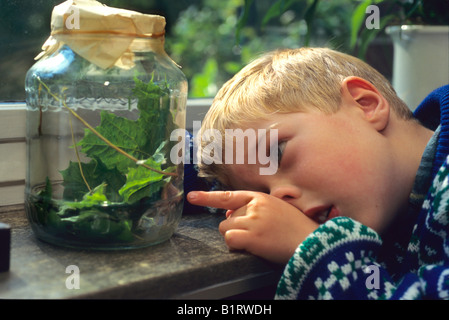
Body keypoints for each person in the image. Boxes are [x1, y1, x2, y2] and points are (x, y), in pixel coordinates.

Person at [186, 47, 449, 299]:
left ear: (365, 104)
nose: (278, 198)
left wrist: (316, 250)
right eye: (262, 194)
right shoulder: (391, 193)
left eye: (277, 152)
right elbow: (220, 183)